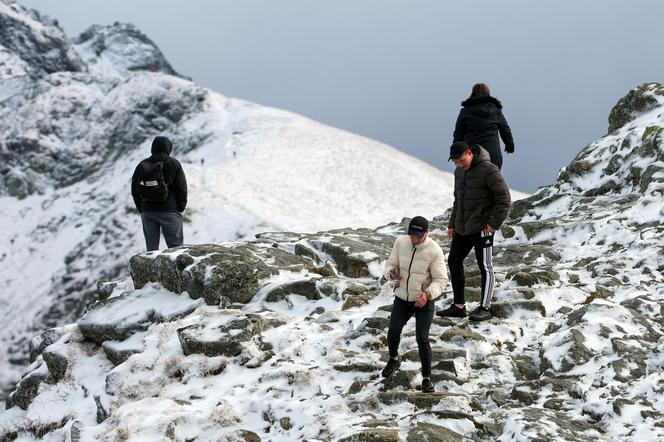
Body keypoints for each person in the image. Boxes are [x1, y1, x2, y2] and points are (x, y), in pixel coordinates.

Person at [437, 141, 510, 321]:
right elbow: (458, 200)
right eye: (454, 162)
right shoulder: (458, 172)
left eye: (460, 160)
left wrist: (493, 224)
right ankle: (459, 306)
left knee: (485, 266)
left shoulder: (489, 170)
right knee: (454, 261)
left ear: (469, 153)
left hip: (483, 228)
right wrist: (452, 224)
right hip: (463, 227)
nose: (458, 164)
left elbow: (504, 198)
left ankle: (485, 307)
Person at [381, 216, 448, 393]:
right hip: (403, 297)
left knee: (422, 338)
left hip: (423, 300)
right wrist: (391, 273)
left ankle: (426, 378)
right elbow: (389, 265)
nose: (415, 239)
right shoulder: (400, 242)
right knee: (393, 330)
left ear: (427, 233)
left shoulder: (434, 251)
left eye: (419, 236)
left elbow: (441, 280)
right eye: (412, 236)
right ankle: (394, 359)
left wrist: (427, 294)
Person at [131, 136, 188, 251]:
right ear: (168, 148)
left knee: (151, 250)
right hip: (169, 211)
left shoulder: (142, 164)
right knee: (176, 249)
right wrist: (180, 207)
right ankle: (176, 269)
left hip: (147, 212)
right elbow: (181, 188)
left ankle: (151, 268)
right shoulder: (174, 163)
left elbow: (134, 189)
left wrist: (142, 208)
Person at [453, 83, 515, 169]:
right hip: (493, 155)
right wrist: (510, 147)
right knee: (492, 181)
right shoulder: (496, 111)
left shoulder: (465, 112)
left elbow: (458, 135)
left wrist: (455, 153)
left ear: (472, 94)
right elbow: (505, 130)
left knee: (472, 181)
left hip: (471, 156)